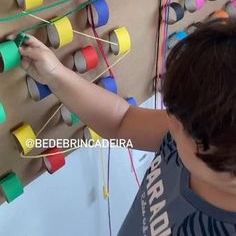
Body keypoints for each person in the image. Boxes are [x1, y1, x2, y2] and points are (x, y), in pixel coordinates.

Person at [17, 19, 236, 235]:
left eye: (182, 127)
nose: (170, 123)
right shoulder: (202, 129)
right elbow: (122, 121)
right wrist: (55, 74)